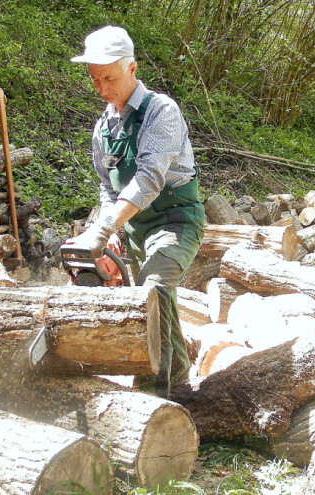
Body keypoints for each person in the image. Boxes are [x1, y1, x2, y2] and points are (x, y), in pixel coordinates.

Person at [68, 25, 205, 398]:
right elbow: (107, 188)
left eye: (108, 78)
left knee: (152, 291)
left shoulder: (161, 112)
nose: (101, 88)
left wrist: (104, 227)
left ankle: (151, 400)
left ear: (132, 68)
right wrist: (106, 230)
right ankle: (178, 375)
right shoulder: (103, 128)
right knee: (159, 298)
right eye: (95, 80)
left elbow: (148, 179)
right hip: (133, 228)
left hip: (176, 220)